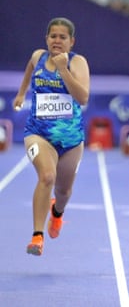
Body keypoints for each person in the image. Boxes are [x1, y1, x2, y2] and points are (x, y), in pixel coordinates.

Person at [12, 17, 90, 256]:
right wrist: (21, 93)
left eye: (62, 37)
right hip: (38, 133)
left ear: (71, 41)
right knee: (47, 176)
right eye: (53, 36)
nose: (57, 40)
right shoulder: (38, 57)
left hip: (70, 139)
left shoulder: (78, 63)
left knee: (64, 192)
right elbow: (28, 69)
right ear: (46, 38)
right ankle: (37, 236)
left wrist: (63, 68)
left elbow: (83, 98)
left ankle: (57, 213)